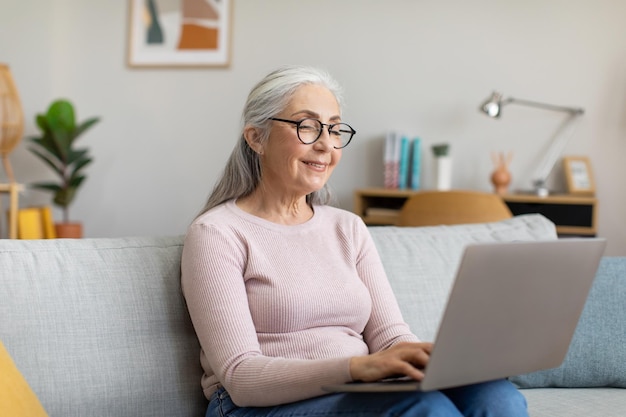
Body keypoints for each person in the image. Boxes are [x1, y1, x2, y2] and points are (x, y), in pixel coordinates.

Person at [181, 65, 528, 417]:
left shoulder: (348, 227)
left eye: (334, 129)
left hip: (355, 390)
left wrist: (433, 360)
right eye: (308, 126)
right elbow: (241, 377)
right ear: (256, 138)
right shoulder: (218, 233)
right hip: (253, 406)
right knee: (424, 408)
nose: (326, 145)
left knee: (496, 396)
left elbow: (391, 337)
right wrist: (356, 368)